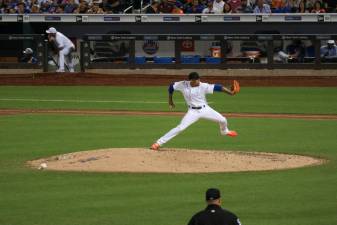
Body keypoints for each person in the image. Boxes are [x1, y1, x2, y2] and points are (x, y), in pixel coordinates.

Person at [150, 72, 238, 151]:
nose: (197, 82)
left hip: (205, 109)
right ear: (190, 81)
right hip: (192, 112)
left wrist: (230, 92)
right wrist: (170, 100)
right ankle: (158, 143)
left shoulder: (203, 85)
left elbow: (218, 87)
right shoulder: (183, 84)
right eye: (195, 81)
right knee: (180, 128)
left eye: (198, 80)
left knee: (223, 120)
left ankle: (224, 131)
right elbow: (171, 86)